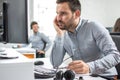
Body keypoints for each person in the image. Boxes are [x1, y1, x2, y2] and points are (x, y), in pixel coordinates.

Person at [50, 0, 120, 77]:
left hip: (105, 76)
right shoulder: (63, 33)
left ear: (77, 14)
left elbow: (115, 56)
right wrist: (59, 35)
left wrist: (90, 67)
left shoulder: (94, 27)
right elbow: (55, 64)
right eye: (57, 13)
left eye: (63, 13)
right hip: (82, 77)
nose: (58, 18)